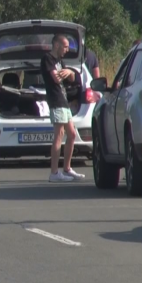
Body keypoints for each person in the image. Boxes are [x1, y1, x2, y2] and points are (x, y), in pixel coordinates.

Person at [41, 34, 85, 182]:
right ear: (57, 45)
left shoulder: (60, 61)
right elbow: (56, 78)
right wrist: (66, 74)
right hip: (56, 100)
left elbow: (71, 78)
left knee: (72, 134)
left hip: (64, 100)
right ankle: (54, 173)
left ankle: (67, 168)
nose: (67, 50)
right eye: (65, 46)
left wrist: (70, 72)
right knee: (59, 134)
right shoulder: (48, 59)